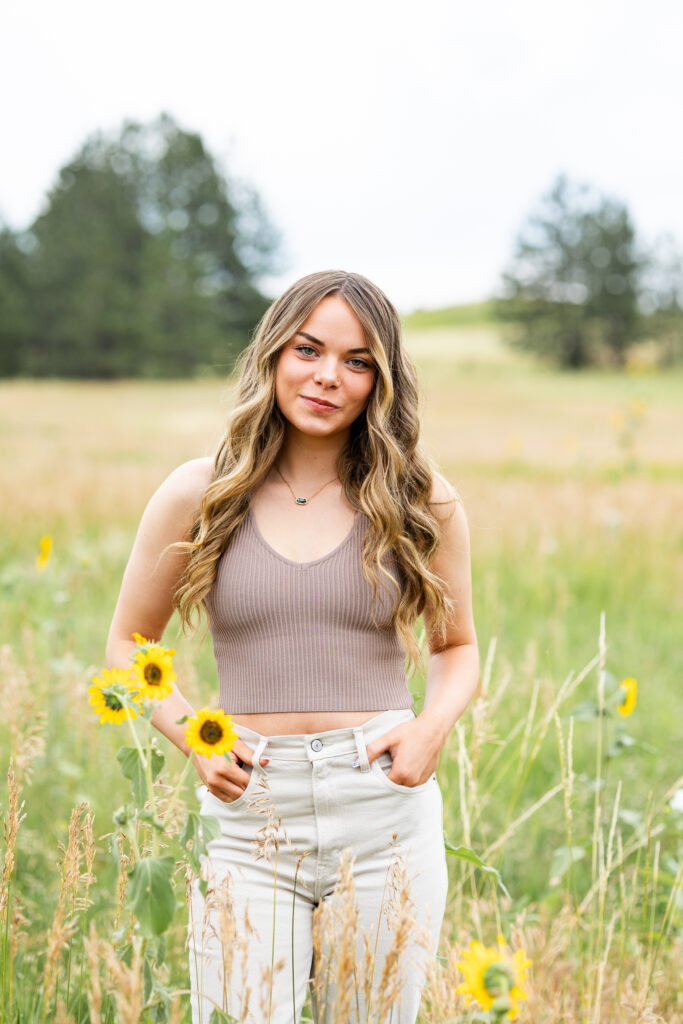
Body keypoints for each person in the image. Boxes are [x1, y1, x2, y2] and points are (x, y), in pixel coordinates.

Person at [105, 269, 480, 1023]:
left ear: (380, 380)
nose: (326, 377)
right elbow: (127, 644)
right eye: (308, 349)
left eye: (356, 360)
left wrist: (431, 728)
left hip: (382, 811)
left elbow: (456, 646)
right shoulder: (200, 492)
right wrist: (192, 741)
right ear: (274, 353)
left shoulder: (417, 495)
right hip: (248, 815)